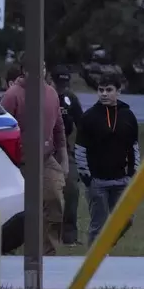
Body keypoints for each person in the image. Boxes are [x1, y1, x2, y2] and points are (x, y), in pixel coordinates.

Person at [0, 56, 68, 256]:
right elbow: (2, 127)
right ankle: (6, 248)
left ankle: (49, 252)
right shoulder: (13, 94)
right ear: (24, 70)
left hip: (47, 159)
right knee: (19, 210)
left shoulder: (51, 93)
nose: (41, 72)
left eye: (43, 67)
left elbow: (59, 128)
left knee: (54, 201)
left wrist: (63, 158)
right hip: (19, 162)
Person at [75, 74, 140, 246]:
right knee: (99, 225)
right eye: (101, 90)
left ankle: (103, 248)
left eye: (109, 90)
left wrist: (133, 173)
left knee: (127, 219)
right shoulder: (89, 117)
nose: (104, 94)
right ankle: (94, 263)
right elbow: (80, 148)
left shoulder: (128, 116)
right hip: (97, 181)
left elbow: (134, 147)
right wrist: (86, 177)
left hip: (121, 179)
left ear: (118, 91)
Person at [50, 65, 84, 246]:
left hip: (65, 149)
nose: (62, 87)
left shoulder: (70, 99)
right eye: (58, 83)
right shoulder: (45, 97)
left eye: (65, 83)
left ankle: (69, 236)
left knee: (71, 189)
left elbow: (82, 124)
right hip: (44, 150)